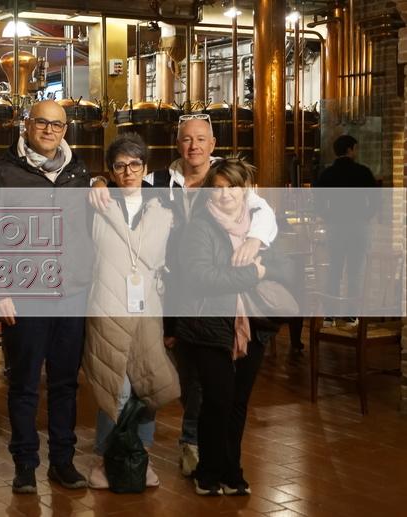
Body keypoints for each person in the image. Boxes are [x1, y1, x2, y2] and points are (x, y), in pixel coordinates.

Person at [89, 114, 278, 477]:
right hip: (170, 290)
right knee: (163, 372)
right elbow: (120, 180)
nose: (194, 146)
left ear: (213, 144)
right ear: (177, 144)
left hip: (212, 288)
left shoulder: (224, 178)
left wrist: (255, 239)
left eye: (201, 139)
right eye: (187, 139)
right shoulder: (159, 180)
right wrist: (97, 181)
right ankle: (123, 454)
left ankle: (191, 443)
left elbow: (262, 210)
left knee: (201, 376)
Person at [0, 99, 91, 493]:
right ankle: (25, 465)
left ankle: (63, 461)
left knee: (65, 384)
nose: (48, 130)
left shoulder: (79, 173)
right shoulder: (1, 174)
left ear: (65, 130)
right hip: (25, 294)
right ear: (27, 125)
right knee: (24, 384)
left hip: (72, 293)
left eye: (56, 125)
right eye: (41, 122)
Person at [175, 158, 293, 496]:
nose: (225, 195)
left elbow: (286, 268)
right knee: (218, 400)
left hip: (253, 326)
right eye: (218, 188)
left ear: (246, 190)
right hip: (209, 325)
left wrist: (262, 263)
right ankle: (208, 472)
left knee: (238, 401)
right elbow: (202, 278)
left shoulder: (260, 229)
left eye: (233, 187)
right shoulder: (199, 227)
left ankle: (232, 471)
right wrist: (254, 273)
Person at [82, 133, 180, 490]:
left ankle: (142, 456)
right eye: (120, 166)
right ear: (111, 170)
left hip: (148, 307)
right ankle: (104, 461)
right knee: (115, 387)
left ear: (145, 167)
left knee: (147, 384)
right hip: (106, 305)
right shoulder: (97, 203)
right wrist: (95, 182)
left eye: (135, 164)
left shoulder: (164, 207)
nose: (128, 172)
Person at [313, 135, 378, 314]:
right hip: (358, 228)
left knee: (334, 271)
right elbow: (375, 200)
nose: (356, 151)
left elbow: (317, 203)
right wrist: (365, 216)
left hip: (336, 228)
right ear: (350, 149)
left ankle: (330, 314)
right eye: (355, 148)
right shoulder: (363, 172)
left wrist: (329, 217)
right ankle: (351, 315)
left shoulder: (327, 174)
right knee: (355, 273)